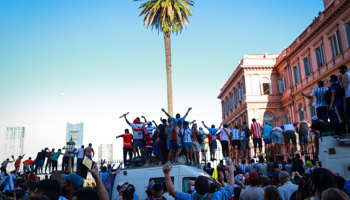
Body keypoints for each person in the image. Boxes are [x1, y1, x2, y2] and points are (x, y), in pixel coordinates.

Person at [163, 162, 235, 200]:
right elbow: (230, 187)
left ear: (194, 188)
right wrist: (231, 171)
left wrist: (166, 174)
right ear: (208, 187)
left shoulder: (188, 198)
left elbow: (172, 192)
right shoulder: (217, 197)